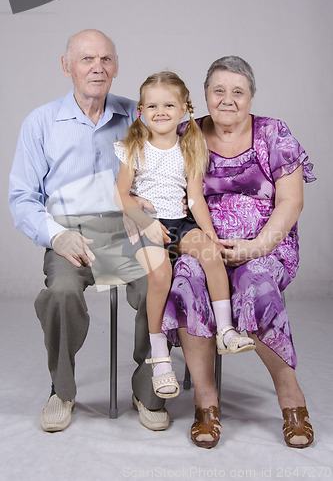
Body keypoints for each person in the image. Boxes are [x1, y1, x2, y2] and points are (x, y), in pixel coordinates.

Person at [8, 29, 169, 433]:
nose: (97, 67)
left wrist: (142, 203)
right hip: (69, 234)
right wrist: (56, 235)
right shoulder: (41, 122)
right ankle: (61, 390)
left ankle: (148, 390)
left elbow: (176, 156)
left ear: (116, 67)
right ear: (67, 66)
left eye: (106, 59)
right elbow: (22, 197)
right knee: (60, 293)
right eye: (86, 59)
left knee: (159, 285)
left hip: (128, 231)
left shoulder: (138, 115)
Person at [162, 56, 316, 449]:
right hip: (202, 245)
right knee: (186, 283)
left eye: (237, 92)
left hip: (264, 246)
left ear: (250, 97)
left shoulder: (273, 134)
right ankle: (206, 403)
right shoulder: (186, 134)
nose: (227, 99)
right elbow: (159, 186)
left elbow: (291, 203)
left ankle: (291, 399)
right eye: (218, 91)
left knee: (258, 285)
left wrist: (254, 247)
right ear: (205, 96)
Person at [114, 71, 255, 401]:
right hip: (146, 225)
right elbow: (120, 194)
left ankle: (225, 330)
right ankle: (160, 356)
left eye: (168, 105)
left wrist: (209, 234)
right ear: (141, 110)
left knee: (210, 256)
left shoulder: (189, 145)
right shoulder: (133, 147)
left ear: (183, 109)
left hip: (180, 222)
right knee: (161, 277)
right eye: (152, 106)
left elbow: (194, 198)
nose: (160, 111)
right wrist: (144, 222)